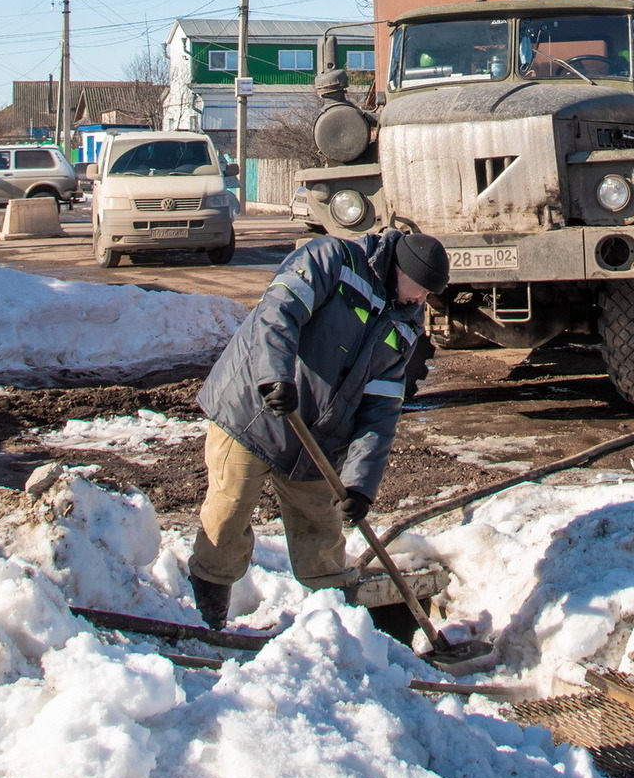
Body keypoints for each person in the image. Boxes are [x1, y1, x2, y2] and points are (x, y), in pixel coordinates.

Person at [188, 228, 449, 629]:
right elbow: (277, 312)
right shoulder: (333, 260)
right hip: (254, 413)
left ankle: (338, 634)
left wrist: (361, 483)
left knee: (322, 539)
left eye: (429, 295)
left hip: (316, 438)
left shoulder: (406, 323)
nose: (422, 300)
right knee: (227, 517)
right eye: (421, 289)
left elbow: (380, 409)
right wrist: (275, 377)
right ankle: (209, 618)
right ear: (400, 269)